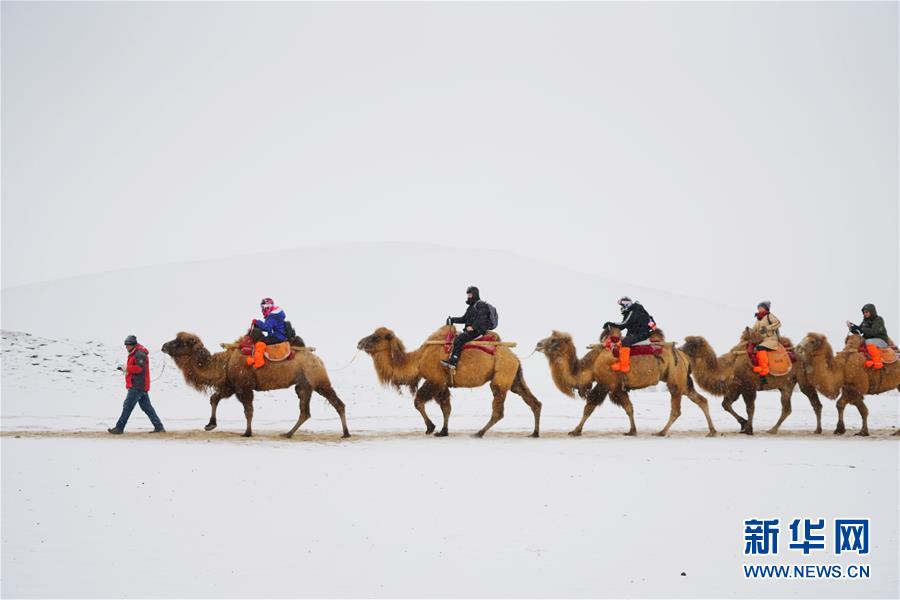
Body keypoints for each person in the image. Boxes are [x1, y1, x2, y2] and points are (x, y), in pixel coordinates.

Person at [108, 335, 165, 434]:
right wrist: (125, 369)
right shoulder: (135, 353)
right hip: (139, 385)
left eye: (127, 345)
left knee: (128, 406)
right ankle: (159, 427)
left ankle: (119, 428)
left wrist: (125, 368)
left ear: (132, 344)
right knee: (147, 408)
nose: (126, 347)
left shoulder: (139, 354)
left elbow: (139, 369)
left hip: (137, 386)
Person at [441, 286, 493, 370]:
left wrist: (473, 327)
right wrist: (452, 320)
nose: (468, 296)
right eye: (468, 295)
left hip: (478, 331)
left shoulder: (480, 305)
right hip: (471, 331)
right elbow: (464, 319)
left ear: (474, 294)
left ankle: (453, 360)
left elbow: (482, 318)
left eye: (470, 294)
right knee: (458, 337)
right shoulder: (471, 307)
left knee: (459, 339)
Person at [602, 297, 655, 373]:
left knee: (625, 342)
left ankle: (624, 366)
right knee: (622, 340)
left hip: (642, 334)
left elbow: (623, 325)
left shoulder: (633, 311)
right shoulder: (638, 310)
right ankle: (621, 360)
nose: (622, 308)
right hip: (639, 333)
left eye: (622, 306)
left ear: (627, 304)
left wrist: (610, 323)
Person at [247, 297, 288, 369]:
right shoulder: (276, 315)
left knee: (260, 343)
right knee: (264, 339)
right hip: (279, 335)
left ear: (268, 307)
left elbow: (267, 328)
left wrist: (258, 322)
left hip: (277, 336)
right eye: (262, 307)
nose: (262, 310)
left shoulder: (272, 316)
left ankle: (259, 362)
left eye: (264, 307)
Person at [847, 303, 890, 369]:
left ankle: (878, 363)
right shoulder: (865, 321)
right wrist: (852, 328)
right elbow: (860, 331)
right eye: (864, 312)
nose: (865, 314)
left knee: (868, 342)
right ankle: (866, 360)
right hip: (869, 341)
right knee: (859, 343)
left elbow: (874, 331)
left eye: (866, 312)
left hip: (881, 340)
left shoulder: (878, 319)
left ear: (871, 311)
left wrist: (861, 329)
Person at [750, 301, 781, 377]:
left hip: (770, 339)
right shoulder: (758, 319)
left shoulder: (769, 316)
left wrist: (767, 328)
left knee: (759, 348)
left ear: (765, 308)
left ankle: (764, 368)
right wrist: (749, 331)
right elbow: (754, 329)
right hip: (762, 340)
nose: (759, 309)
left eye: (761, 307)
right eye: (758, 308)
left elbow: (778, 323)